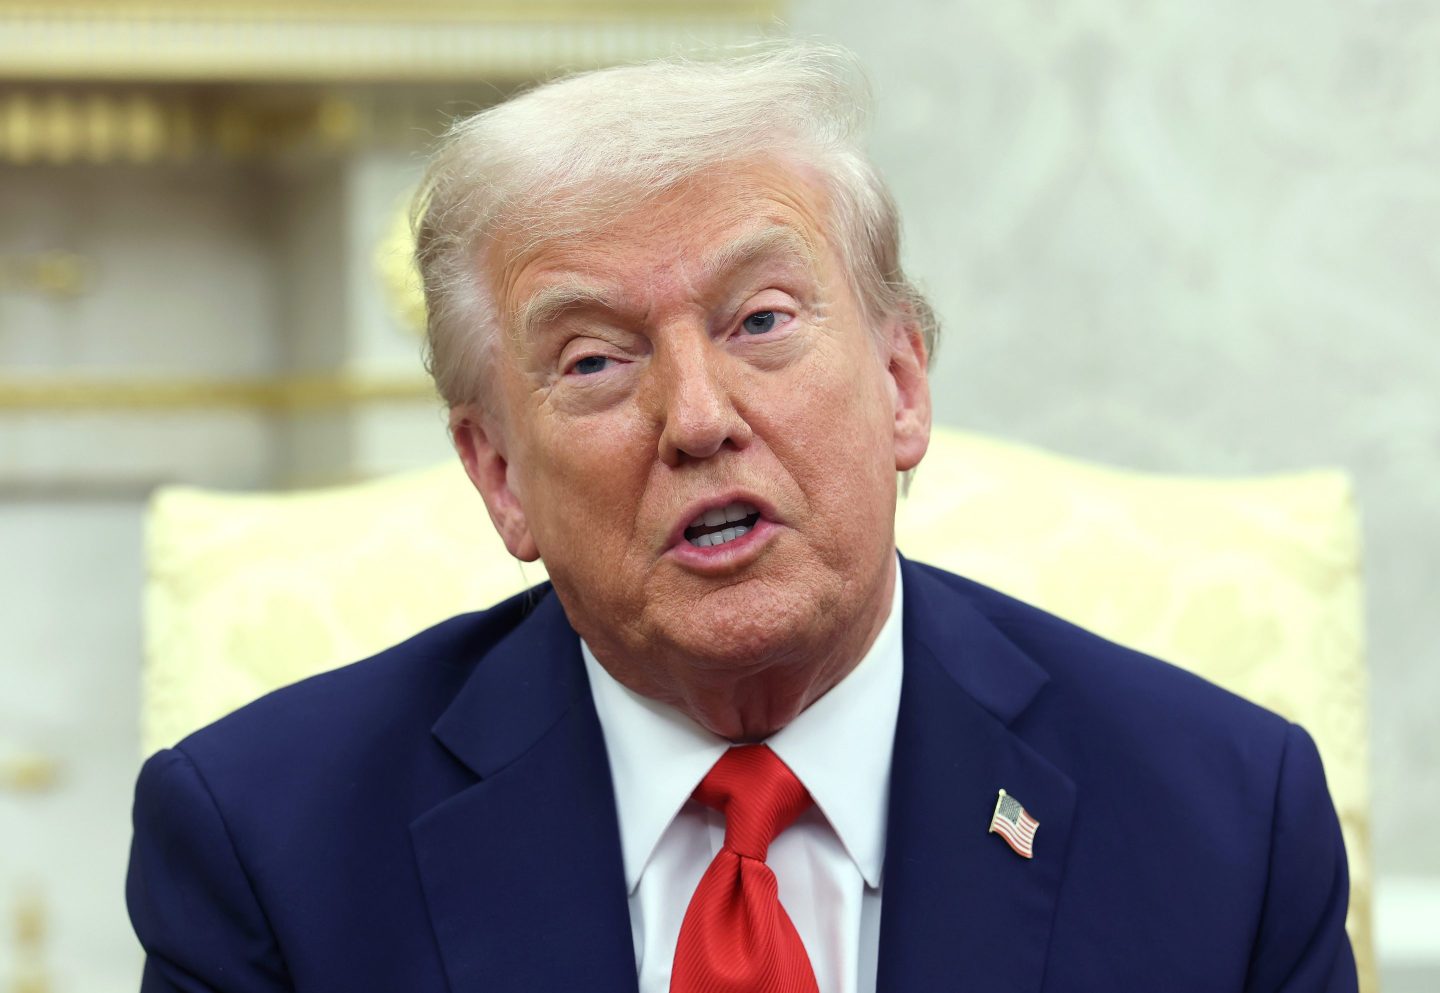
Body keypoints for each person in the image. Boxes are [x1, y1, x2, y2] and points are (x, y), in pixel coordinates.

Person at [126, 43, 1358, 993]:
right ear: (498, 473)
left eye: (761, 320)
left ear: (900, 384)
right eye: (597, 361)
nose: (698, 418)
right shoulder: (268, 849)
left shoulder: (1225, 824)